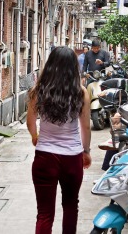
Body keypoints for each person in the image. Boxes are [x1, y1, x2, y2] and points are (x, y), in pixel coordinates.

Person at [26, 46, 92, 234]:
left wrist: (35, 137)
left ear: (50, 65)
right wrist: (86, 152)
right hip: (72, 157)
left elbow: (30, 122)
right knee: (71, 206)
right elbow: (85, 127)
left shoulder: (38, 90)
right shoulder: (81, 92)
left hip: (45, 157)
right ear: (73, 67)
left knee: (44, 213)